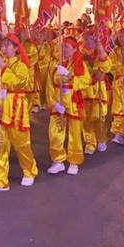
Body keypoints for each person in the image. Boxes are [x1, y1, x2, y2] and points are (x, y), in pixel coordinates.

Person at [0, 34, 38, 192]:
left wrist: (3, 68)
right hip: (0, 108)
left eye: (8, 46)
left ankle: (29, 170)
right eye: (3, 45)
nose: (4, 49)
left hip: (15, 107)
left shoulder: (21, 66)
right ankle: (0, 180)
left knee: (22, 143)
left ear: (16, 48)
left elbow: (18, 83)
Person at [46, 37, 90, 175]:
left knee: (74, 133)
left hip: (72, 100)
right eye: (62, 46)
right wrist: (54, 103)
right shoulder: (55, 63)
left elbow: (86, 81)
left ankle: (74, 161)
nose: (64, 49)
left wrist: (71, 77)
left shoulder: (79, 64)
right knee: (54, 132)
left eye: (67, 47)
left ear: (75, 49)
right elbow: (49, 86)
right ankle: (58, 160)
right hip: (58, 100)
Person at [81, 32, 110, 153]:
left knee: (99, 116)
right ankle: (90, 142)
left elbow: (107, 66)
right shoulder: (79, 54)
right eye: (86, 39)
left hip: (99, 88)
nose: (88, 42)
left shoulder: (100, 52)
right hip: (86, 88)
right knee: (86, 118)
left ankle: (101, 138)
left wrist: (101, 73)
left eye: (91, 39)